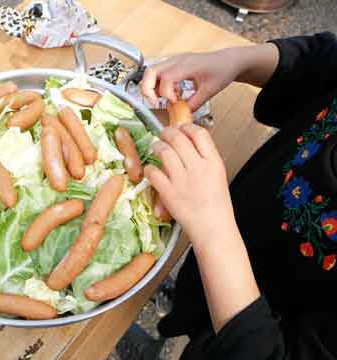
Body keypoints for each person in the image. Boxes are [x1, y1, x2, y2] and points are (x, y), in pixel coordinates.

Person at [137, 32, 337, 359]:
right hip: (231, 246)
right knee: (193, 306)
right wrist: (238, 61)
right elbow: (324, 62)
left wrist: (215, 233)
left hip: (251, 328)